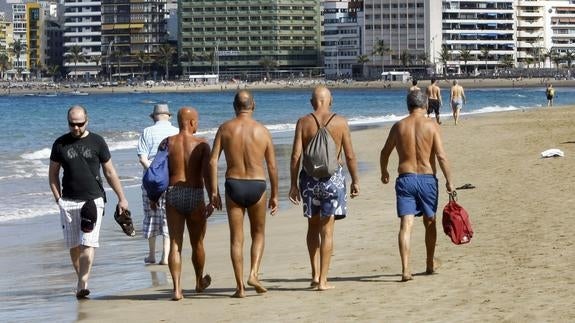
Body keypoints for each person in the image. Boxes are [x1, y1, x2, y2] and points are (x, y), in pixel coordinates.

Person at [49, 105, 129, 299]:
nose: (76, 128)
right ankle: (81, 280)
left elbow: (109, 172)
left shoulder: (98, 142)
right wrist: (58, 199)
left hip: (93, 200)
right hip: (68, 202)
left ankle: (82, 282)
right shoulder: (60, 144)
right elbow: (53, 175)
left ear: (87, 120)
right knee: (74, 246)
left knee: (88, 243)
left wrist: (122, 197)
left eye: (80, 124)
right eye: (72, 124)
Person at [289, 86, 360, 291]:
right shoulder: (340, 122)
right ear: (331, 101)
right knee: (327, 231)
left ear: (313, 102)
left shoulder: (303, 122)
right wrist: (355, 180)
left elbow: (295, 156)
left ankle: (314, 274)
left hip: (310, 181)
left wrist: (293, 184)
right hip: (333, 181)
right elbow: (350, 156)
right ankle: (323, 281)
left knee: (312, 227)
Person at [209, 90, 279, 298]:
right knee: (258, 233)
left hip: (234, 184)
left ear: (234, 106)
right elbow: (273, 166)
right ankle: (254, 273)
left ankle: (240, 288)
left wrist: (213, 191)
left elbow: (213, 161)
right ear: (253, 105)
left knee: (236, 239)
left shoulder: (225, 129)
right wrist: (275, 193)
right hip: (257, 184)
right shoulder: (263, 131)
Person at [379, 90, 454, 282]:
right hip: (427, 179)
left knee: (406, 224)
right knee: (430, 221)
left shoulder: (399, 126)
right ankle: (429, 263)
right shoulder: (432, 125)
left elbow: (385, 152)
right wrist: (449, 181)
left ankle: (405, 269)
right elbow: (441, 156)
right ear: (426, 105)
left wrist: (384, 171)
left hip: (406, 178)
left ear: (408, 106)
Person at [164, 107, 213, 301]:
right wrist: (213, 196)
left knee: (175, 243)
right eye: (197, 121)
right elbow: (207, 175)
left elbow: (159, 173)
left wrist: (153, 197)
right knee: (197, 243)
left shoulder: (167, 143)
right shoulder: (202, 144)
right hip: (195, 194)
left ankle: (177, 290)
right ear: (191, 122)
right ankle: (199, 281)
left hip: (173, 193)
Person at [137, 103, 179, 265]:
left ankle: (152, 255)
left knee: (151, 216)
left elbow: (142, 158)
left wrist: (155, 171)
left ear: (154, 117)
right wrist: (166, 174)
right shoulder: (176, 132)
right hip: (171, 180)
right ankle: (165, 256)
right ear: (168, 116)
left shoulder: (147, 132)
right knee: (168, 217)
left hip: (150, 181)